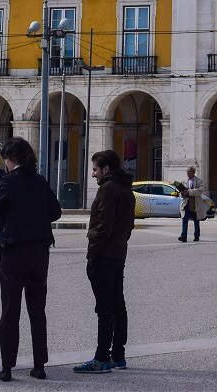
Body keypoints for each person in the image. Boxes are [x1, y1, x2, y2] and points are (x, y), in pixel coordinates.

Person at [0, 136, 62, 382]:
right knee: (37, 310)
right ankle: (39, 365)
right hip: (39, 251)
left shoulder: (8, 181)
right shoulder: (39, 181)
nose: (4, 164)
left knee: (10, 309)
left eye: (5, 159)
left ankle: (7, 367)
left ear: (11, 159)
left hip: (14, 251)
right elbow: (55, 211)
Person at [73, 150, 134, 374]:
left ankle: (101, 358)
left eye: (95, 169)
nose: (93, 174)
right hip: (119, 253)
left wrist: (93, 252)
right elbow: (128, 226)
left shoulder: (108, 189)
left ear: (106, 169)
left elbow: (103, 225)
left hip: (105, 255)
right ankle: (118, 355)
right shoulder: (126, 189)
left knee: (105, 308)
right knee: (118, 305)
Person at [177, 166, 205, 243]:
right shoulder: (184, 181)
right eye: (187, 171)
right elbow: (180, 193)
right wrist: (182, 193)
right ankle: (184, 236)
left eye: (189, 171)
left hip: (195, 203)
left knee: (196, 220)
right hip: (186, 203)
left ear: (193, 172)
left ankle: (196, 235)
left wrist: (189, 192)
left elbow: (200, 191)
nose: (187, 173)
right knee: (184, 219)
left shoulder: (199, 181)